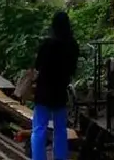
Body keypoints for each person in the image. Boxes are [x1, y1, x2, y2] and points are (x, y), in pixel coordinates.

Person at [30, 10, 80, 160]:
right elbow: (72, 69)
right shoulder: (72, 45)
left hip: (44, 91)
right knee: (60, 129)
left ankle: (38, 158)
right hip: (60, 92)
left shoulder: (48, 45)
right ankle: (60, 157)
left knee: (39, 128)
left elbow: (38, 66)